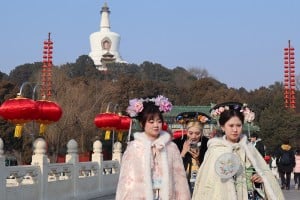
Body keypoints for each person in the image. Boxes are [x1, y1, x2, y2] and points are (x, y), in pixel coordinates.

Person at [192, 103, 284, 200]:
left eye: (238, 125)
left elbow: (264, 174)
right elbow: (207, 183)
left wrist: (260, 178)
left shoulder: (249, 148)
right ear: (223, 127)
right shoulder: (215, 150)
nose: (235, 129)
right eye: (231, 125)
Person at [115, 95, 191, 199]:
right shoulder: (134, 148)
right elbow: (126, 181)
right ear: (142, 123)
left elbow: (179, 179)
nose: (156, 125)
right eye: (151, 122)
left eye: (159, 121)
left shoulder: (171, 147)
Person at [173, 120, 209, 193]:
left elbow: (209, 169)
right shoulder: (177, 143)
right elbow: (173, 168)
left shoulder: (207, 144)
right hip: (182, 183)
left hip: (201, 182)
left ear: (201, 133)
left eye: (197, 133)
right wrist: (183, 152)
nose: (194, 136)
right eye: (191, 133)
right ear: (186, 132)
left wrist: (198, 158)